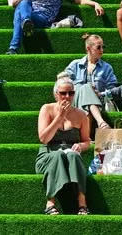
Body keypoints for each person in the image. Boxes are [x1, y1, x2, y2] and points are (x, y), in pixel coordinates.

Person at [36, 75, 91, 215]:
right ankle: (50, 202)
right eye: (63, 93)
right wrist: (59, 117)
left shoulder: (81, 115)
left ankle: (82, 202)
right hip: (48, 155)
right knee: (58, 155)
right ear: (56, 95)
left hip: (71, 156)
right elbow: (43, 138)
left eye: (71, 93)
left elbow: (87, 141)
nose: (67, 96)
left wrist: (80, 146)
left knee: (73, 155)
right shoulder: (47, 109)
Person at [63, 34, 117, 130]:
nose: (102, 50)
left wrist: (100, 93)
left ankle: (86, 137)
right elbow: (63, 82)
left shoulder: (107, 68)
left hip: (99, 102)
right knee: (84, 87)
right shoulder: (75, 65)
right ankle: (101, 122)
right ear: (88, 48)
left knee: (86, 94)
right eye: (98, 47)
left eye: (103, 47)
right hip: (76, 101)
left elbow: (113, 90)